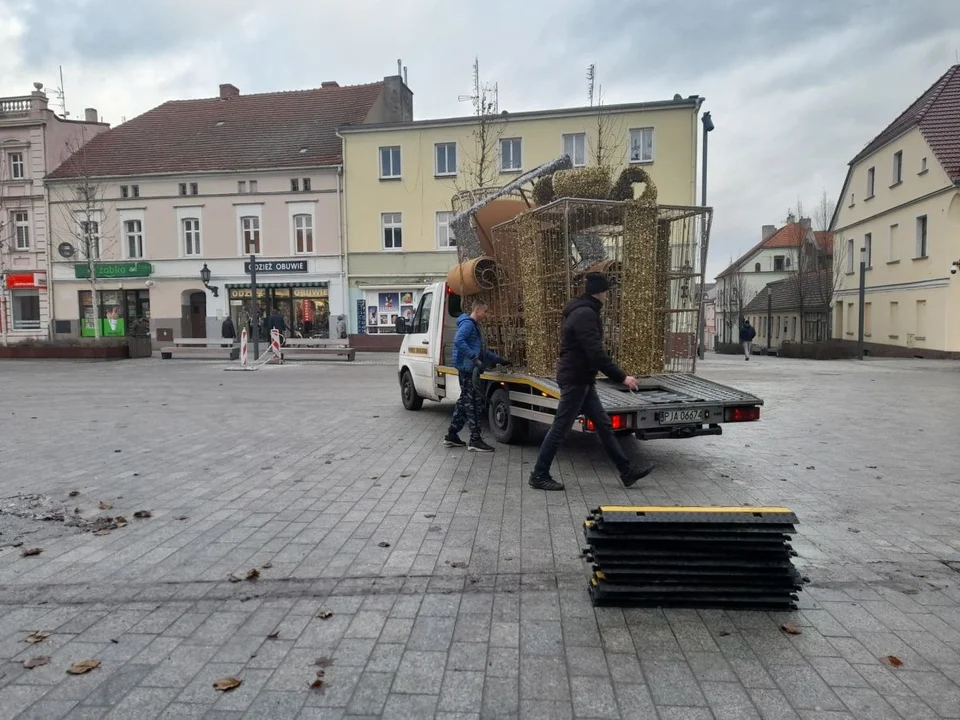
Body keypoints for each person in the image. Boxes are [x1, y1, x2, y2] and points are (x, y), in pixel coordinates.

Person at [528, 273, 654, 491]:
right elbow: (595, 353)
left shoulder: (585, 310)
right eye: (608, 291)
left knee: (604, 426)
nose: (609, 295)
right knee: (560, 428)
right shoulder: (585, 314)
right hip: (576, 379)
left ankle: (626, 471)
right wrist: (622, 377)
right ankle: (539, 474)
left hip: (583, 378)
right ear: (601, 292)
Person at [443, 299, 507, 453]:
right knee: (473, 403)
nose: (486, 314)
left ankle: (451, 435)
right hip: (468, 370)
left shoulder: (473, 326)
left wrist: (499, 359)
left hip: (468, 368)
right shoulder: (468, 324)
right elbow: (459, 341)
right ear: (477, 310)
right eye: (485, 311)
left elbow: (481, 351)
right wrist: (474, 358)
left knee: (463, 402)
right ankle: (475, 439)